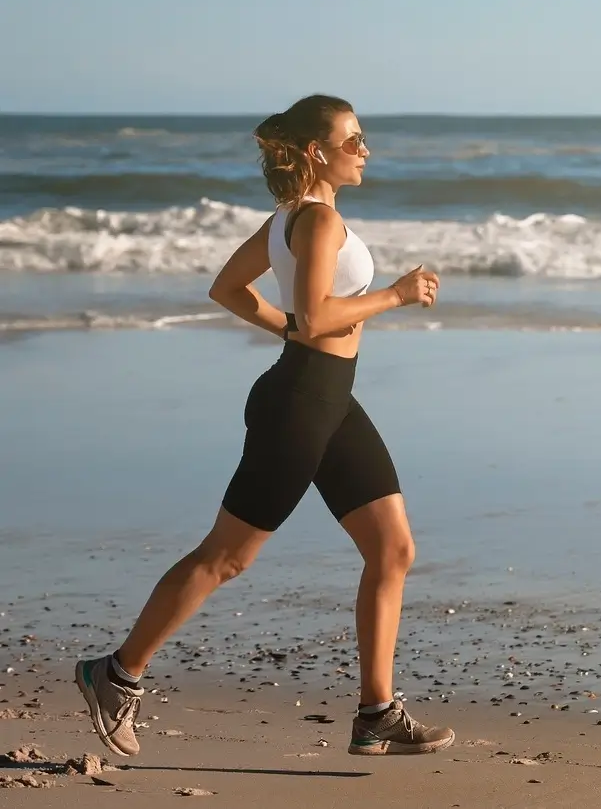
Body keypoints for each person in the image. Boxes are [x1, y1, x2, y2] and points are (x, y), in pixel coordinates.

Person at [74, 94, 455, 757]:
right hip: (300, 404)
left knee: (392, 549)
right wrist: (394, 295)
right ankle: (115, 675)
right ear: (318, 151)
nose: (364, 149)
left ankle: (376, 712)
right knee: (227, 557)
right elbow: (313, 317)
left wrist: (288, 325)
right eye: (352, 139)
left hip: (329, 399)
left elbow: (229, 289)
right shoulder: (316, 222)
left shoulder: (293, 219)